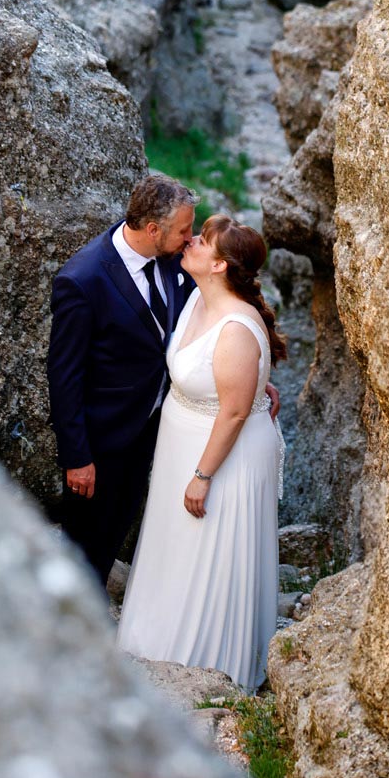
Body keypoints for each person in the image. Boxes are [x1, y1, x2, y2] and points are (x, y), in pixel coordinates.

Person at [115, 214, 286, 693]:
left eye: (202, 240)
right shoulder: (195, 297)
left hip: (218, 457)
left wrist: (203, 475)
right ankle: (154, 645)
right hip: (182, 445)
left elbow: (232, 413)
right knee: (175, 549)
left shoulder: (234, 326)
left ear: (220, 265)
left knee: (207, 553)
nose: (189, 241)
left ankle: (211, 670)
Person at [46, 174, 198, 590]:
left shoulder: (170, 260)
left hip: (148, 433)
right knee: (83, 548)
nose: (191, 238)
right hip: (99, 444)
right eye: (185, 230)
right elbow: (64, 375)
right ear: (153, 230)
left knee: (113, 535)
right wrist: (77, 457)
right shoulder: (83, 280)